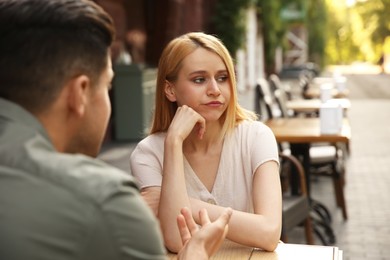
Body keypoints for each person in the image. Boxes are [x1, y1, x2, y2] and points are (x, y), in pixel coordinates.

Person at [0, 1, 232, 259]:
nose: (214, 88)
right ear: (80, 93)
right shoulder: (103, 201)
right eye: (108, 85)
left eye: (222, 78)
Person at [130, 32, 282, 253]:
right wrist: (173, 142)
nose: (215, 90)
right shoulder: (149, 153)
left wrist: (181, 204)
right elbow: (176, 242)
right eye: (199, 80)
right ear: (170, 90)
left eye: (222, 78)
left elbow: (269, 233)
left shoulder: (256, 137)